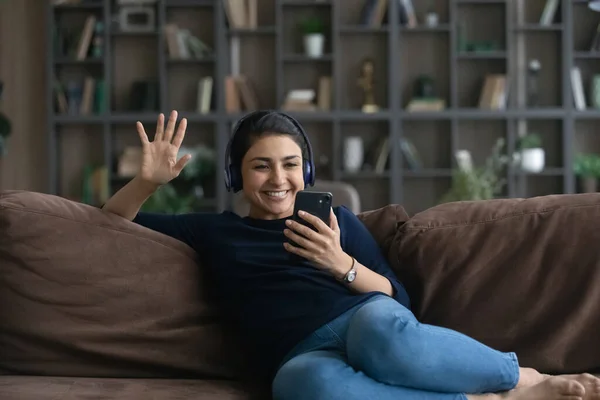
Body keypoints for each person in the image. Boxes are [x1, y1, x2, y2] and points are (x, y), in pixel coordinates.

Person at [102, 109, 600, 400]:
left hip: (361, 318)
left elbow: (398, 304)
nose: (278, 179)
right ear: (236, 176)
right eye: (261, 166)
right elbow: (114, 221)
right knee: (305, 385)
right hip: (300, 354)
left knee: (379, 330)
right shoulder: (214, 232)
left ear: (308, 170)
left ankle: (524, 377)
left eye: (290, 164)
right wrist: (145, 183)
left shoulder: (340, 222)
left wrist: (342, 264)